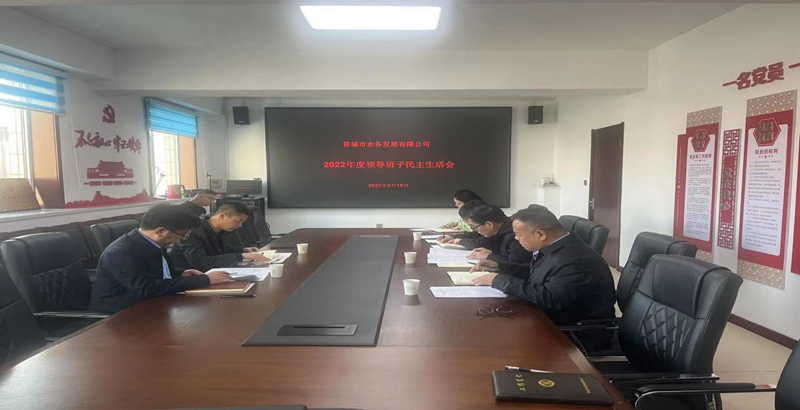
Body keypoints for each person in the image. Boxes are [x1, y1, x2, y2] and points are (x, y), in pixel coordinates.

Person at [471, 206, 616, 351]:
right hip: (551, 320)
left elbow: (552, 299)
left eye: (518, 235)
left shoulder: (575, 260)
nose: (516, 238)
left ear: (540, 234)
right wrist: (500, 267)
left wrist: (500, 281)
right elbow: (537, 273)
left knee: (493, 341)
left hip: (576, 332)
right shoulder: (558, 247)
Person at [90, 204, 234, 313]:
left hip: (153, 304)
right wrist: (205, 280)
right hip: (121, 314)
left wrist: (181, 273)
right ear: (160, 231)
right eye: (183, 235)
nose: (182, 240)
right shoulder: (121, 253)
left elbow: (155, 271)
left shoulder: (151, 242)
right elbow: (147, 288)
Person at [170, 201, 271, 272]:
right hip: (189, 277)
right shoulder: (193, 231)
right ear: (222, 216)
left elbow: (223, 251)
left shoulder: (220, 230)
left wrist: (242, 250)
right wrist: (241, 256)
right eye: (238, 221)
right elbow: (200, 263)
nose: (240, 226)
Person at [458, 203, 532, 264]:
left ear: (489, 224)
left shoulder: (513, 235)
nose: (476, 231)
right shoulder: (501, 231)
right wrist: (492, 253)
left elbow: (515, 264)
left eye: (475, 227)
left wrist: (487, 256)